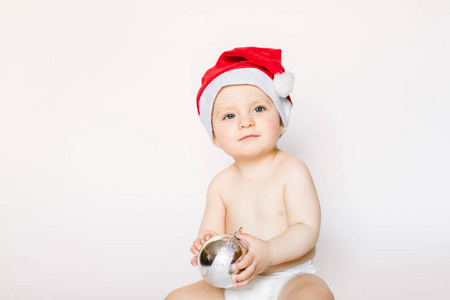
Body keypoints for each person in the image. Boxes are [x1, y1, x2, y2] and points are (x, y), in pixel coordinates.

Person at [166, 47, 334, 300]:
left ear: (280, 121)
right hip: (234, 282)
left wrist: (268, 252)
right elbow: (211, 231)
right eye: (230, 115)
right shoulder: (220, 184)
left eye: (258, 109)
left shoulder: (292, 170)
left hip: (289, 277)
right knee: (177, 298)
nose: (246, 122)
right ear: (215, 136)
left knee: (314, 296)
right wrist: (205, 244)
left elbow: (306, 229)